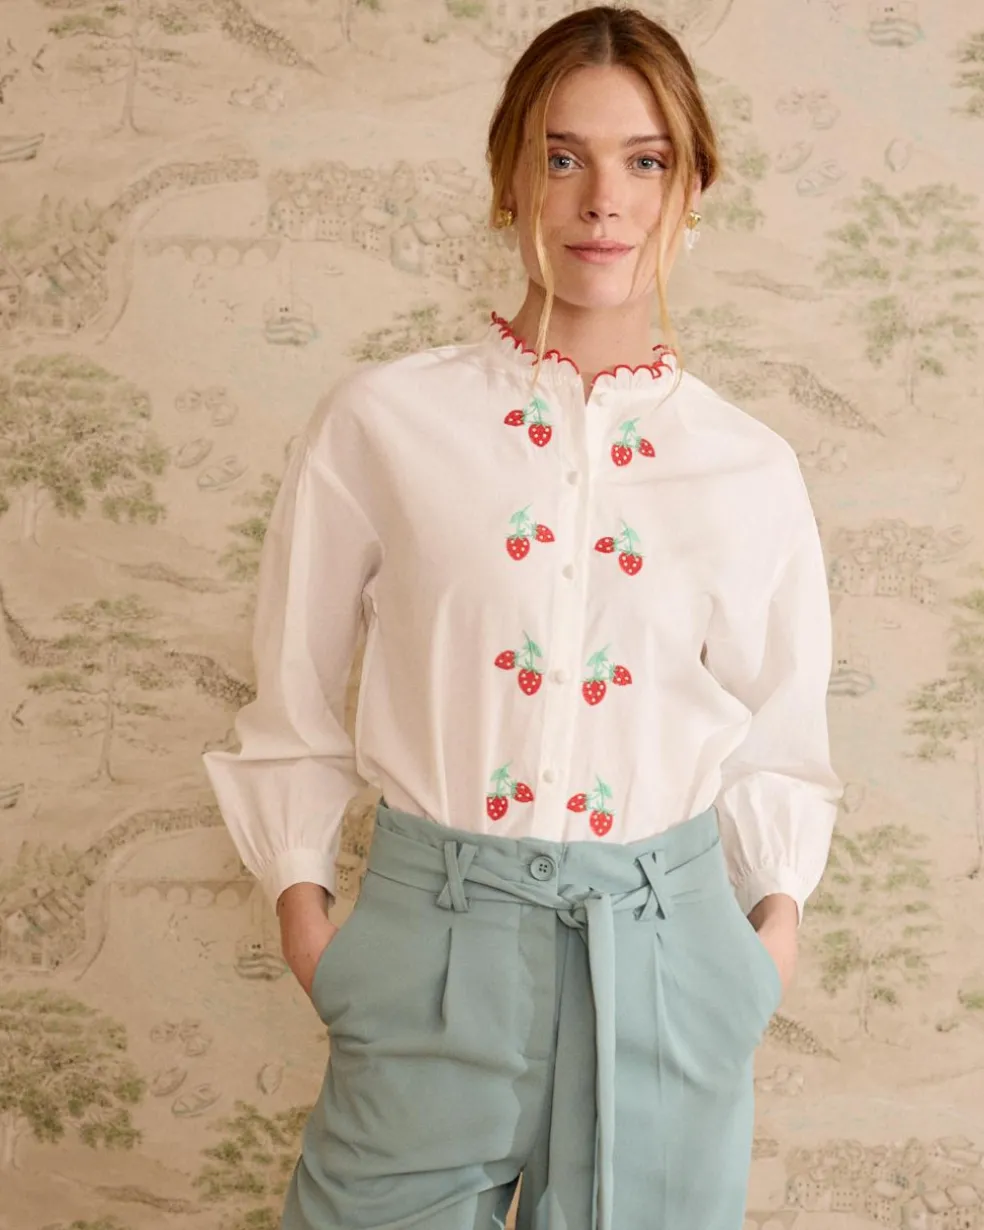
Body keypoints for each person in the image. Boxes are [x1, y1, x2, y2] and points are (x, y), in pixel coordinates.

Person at [203, 7, 843, 1229]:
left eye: (645, 160)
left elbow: (781, 740)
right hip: (426, 956)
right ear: (509, 180)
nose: (603, 199)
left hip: (673, 971)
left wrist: (764, 950)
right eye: (562, 156)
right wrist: (307, 918)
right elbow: (292, 693)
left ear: (691, 189)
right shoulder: (383, 421)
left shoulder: (750, 467)